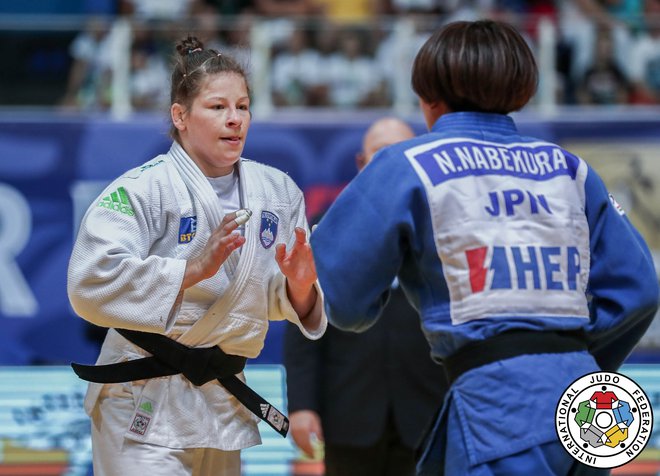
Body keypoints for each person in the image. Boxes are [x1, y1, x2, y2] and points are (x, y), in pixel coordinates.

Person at [310, 19, 659, 476]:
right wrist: (571, 362)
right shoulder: (568, 168)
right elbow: (641, 292)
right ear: (519, 88)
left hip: (499, 406)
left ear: (428, 98)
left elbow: (348, 305)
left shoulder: (407, 164)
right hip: (590, 404)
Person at [67, 35, 326, 476]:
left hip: (218, 399)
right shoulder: (141, 189)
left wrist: (301, 285)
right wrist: (189, 271)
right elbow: (88, 283)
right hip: (140, 394)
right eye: (218, 107)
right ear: (180, 116)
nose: (234, 120)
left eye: (243, 107)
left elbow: (279, 301)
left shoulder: (277, 192)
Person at [284, 117, 448, 476]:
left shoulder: (445, 227)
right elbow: (303, 323)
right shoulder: (328, 228)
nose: (388, 162)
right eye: (379, 153)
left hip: (430, 414)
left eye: (398, 152)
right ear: (361, 162)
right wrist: (301, 405)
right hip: (349, 415)